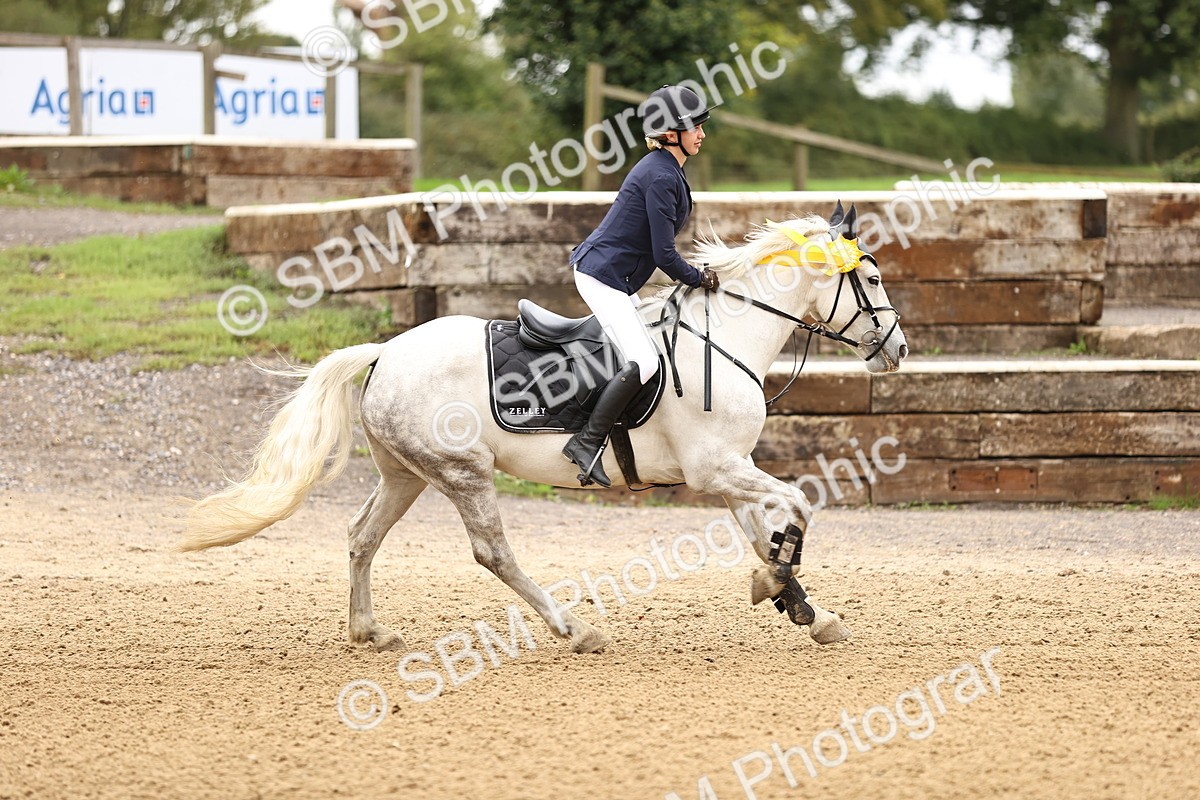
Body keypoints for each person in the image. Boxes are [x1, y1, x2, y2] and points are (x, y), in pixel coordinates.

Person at [562, 85, 721, 488]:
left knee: (649, 349)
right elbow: (665, 256)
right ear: (671, 134)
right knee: (646, 362)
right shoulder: (660, 176)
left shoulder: (666, 169)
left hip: (616, 276)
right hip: (603, 277)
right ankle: (585, 443)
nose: (702, 133)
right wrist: (699, 278)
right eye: (695, 127)